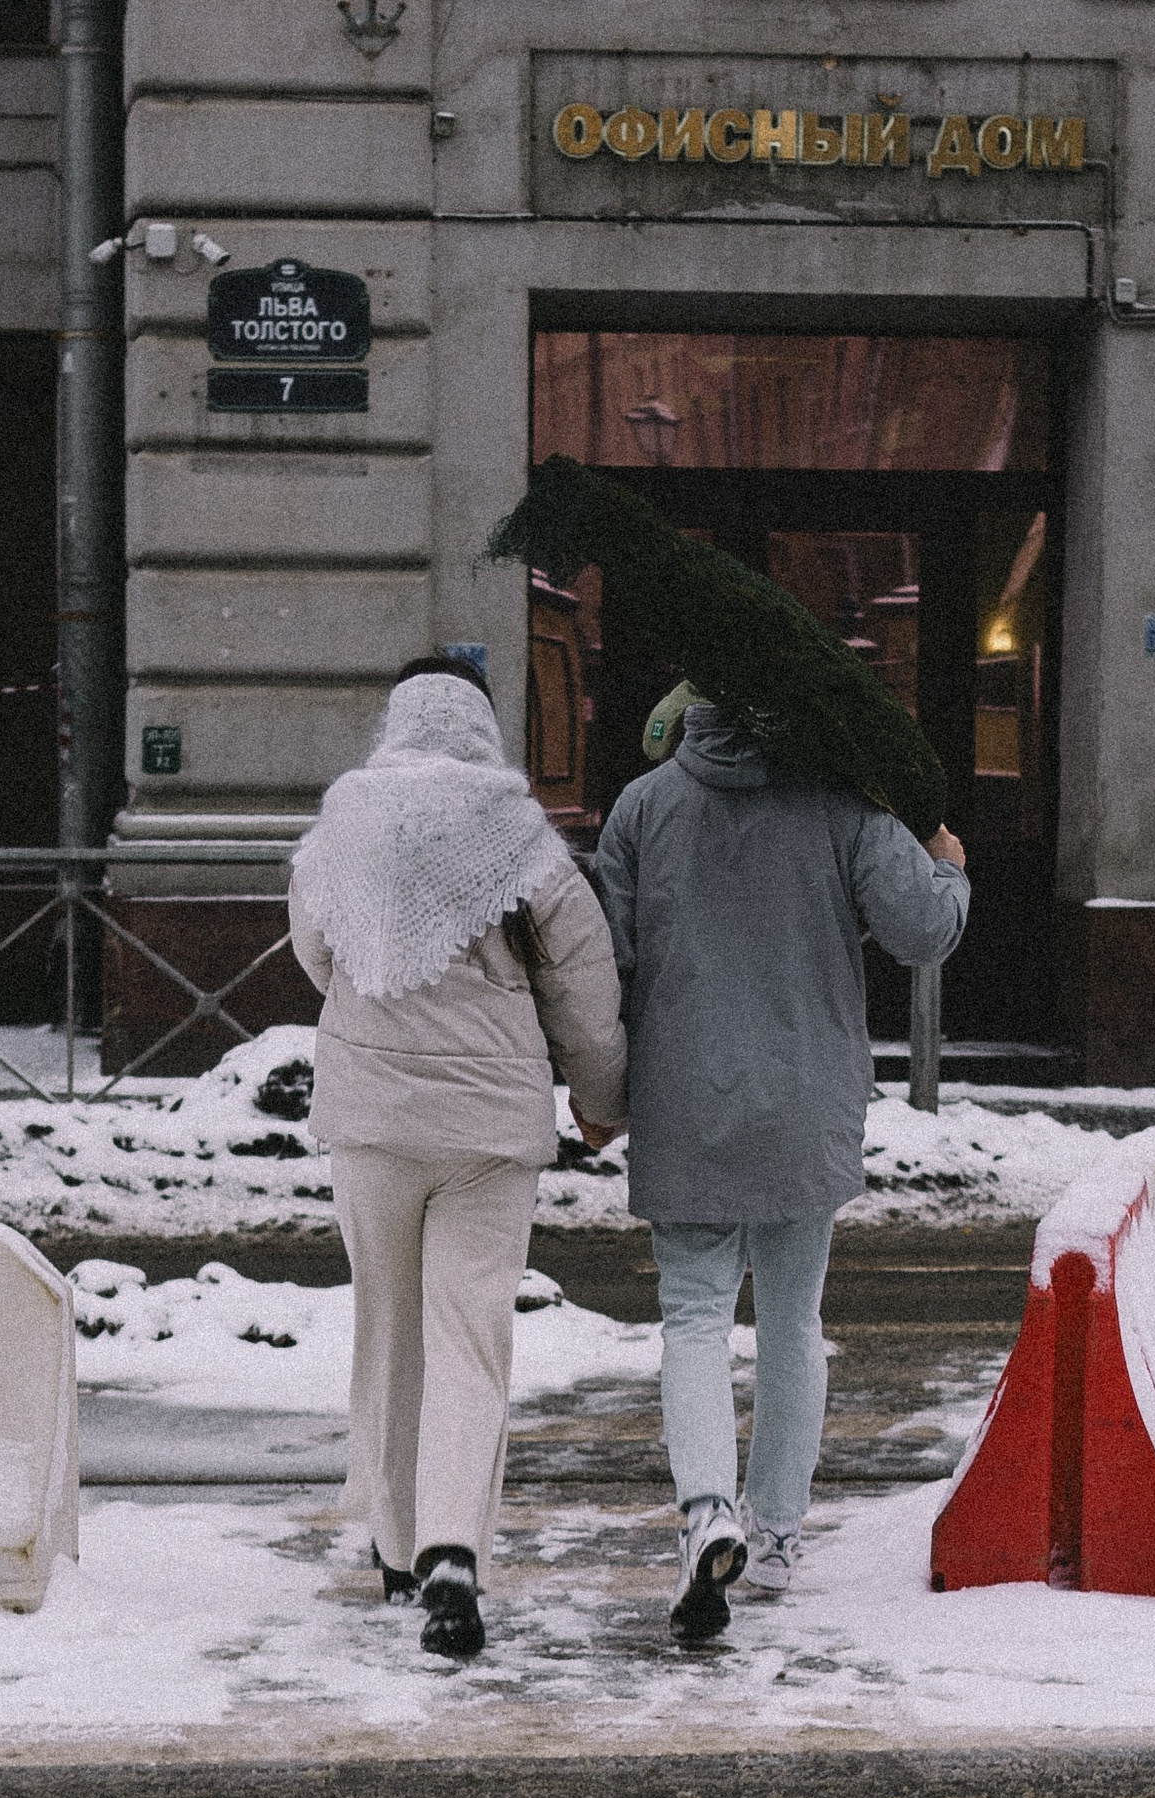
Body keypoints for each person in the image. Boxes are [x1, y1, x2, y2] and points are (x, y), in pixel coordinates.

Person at [594, 696, 967, 1641]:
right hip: (807, 1099)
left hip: (686, 1098)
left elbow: (612, 962)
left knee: (693, 1317)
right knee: (793, 1321)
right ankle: (778, 1534)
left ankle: (706, 1511)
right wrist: (950, 871)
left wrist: (601, 1084)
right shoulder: (846, 806)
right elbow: (922, 930)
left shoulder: (644, 806)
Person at [289, 658, 627, 1661]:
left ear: (396, 723)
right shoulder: (522, 839)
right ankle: (452, 1553)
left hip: (373, 1121)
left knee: (387, 1331)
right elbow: (581, 985)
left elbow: (317, 954)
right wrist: (601, 1103)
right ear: (482, 730)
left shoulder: (342, 825)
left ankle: (396, 1552)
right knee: (470, 1339)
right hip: (489, 1128)